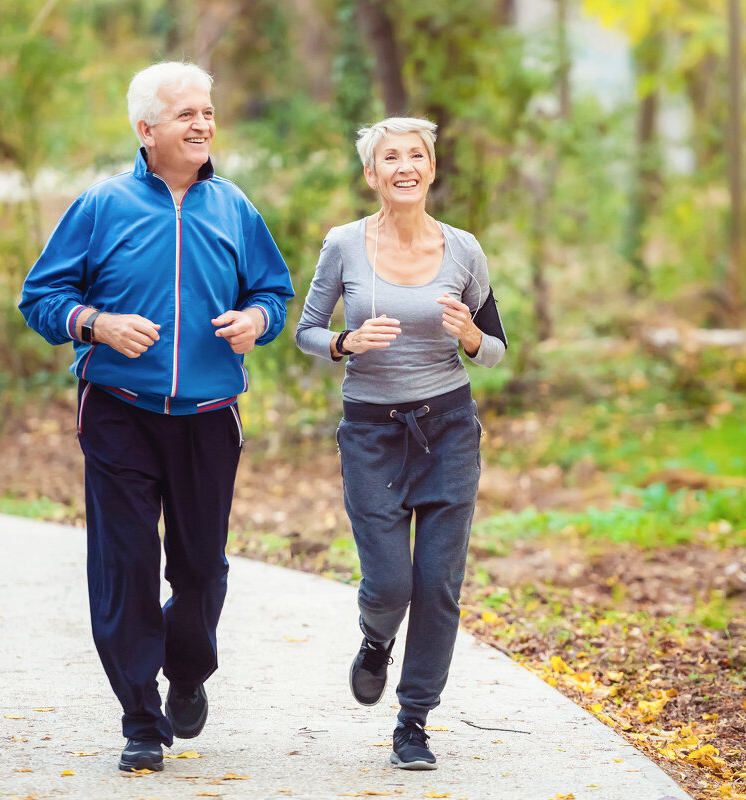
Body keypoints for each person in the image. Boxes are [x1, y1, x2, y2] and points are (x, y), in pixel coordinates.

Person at [19, 61, 294, 773]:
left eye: (208, 112)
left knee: (201, 567)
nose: (203, 124)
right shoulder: (102, 205)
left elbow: (273, 292)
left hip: (209, 415)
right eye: (186, 114)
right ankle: (140, 716)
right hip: (120, 413)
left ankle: (188, 669)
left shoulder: (234, 206)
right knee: (127, 566)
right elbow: (41, 298)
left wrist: (257, 320)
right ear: (146, 129)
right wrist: (96, 324)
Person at [295, 117, 507, 770]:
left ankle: (413, 721)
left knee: (438, 584)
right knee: (390, 584)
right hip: (371, 434)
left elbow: (496, 350)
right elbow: (306, 329)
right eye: (391, 157)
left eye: (417, 155)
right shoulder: (344, 244)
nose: (405, 166)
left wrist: (470, 337)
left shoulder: (464, 250)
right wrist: (343, 342)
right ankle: (376, 638)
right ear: (372, 174)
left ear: (432, 169)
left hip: (448, 430)